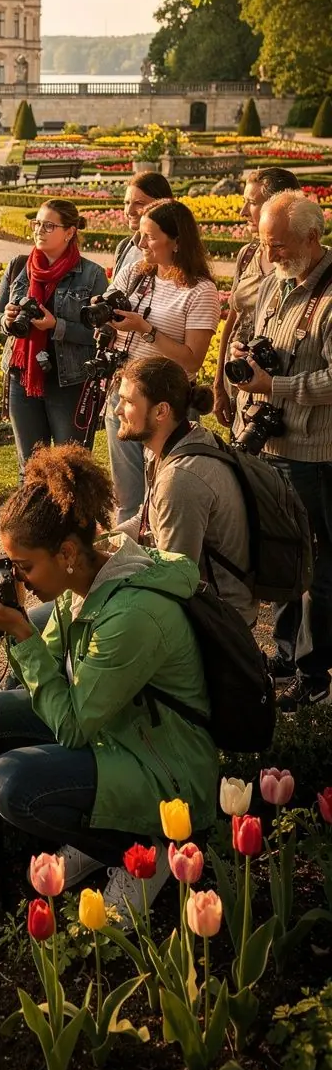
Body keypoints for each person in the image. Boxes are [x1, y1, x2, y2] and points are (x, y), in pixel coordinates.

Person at [0, 443, 218, 916]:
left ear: (68, 552)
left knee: (13, 783)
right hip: (117, 733)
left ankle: (147, 852)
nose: (21, 577)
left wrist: (21, 634)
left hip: (165, 765)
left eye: (25, 566)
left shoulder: (132, 613)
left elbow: (74, 727)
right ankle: (95, 830)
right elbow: (50, 667)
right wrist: (16, 617)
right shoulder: (82, 582)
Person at [230, 191, 332, 707]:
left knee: (320, 565)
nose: (268, 255)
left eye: (279, 244)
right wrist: (244, 357)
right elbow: (251, 333)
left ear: (313, 238)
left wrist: (277, 387)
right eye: (265, 244)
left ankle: (316, 672)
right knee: (287, 557)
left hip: (316, 453)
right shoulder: (275, 281)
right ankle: (288, 653)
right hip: (270, 442)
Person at [114, 356, 256, 626]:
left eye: (129, 401)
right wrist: (97, 542)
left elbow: (173, 579)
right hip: (197, 601)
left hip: (217, 623)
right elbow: (147, 521)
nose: (117, 410)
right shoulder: (178, 442)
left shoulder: (180, 479)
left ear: (161, 411)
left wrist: (99, 567)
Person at [103, 199, 220, 523]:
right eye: (139, 235)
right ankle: (131, 568)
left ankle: (166, 566)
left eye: (149, 236)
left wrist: (145, 328)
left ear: (177, 241)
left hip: (166, 406)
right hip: (124, 397)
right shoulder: (135, 274)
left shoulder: (201, 291)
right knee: (127, 498)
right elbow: (105, 314)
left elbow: (193, 360)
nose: (140, 243)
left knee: (166, 494)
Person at [0, 200, 107, 473]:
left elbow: (103, 334)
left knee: (71, 470)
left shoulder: (91, 275)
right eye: (38, 223)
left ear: (69, 232)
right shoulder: (19, 266)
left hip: (70, 384)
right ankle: (31, 517)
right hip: (23, 379)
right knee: (30, 471)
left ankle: (72, 518)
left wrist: (57, 326)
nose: (39, 230)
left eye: (49, 225)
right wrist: (6, 321)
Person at [213, 167, 301, 427]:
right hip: (239, 376)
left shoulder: (299, 259)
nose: (242, 212)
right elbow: (233, 320)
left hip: (279, 383)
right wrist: (220, 384)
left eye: (251, 203)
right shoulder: (248, 254)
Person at [111, 172, 173, 281]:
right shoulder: (124, 246)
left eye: (139, 203)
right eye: (126, 202)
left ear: (161, 204)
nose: (129, 211)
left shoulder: (172, 251)